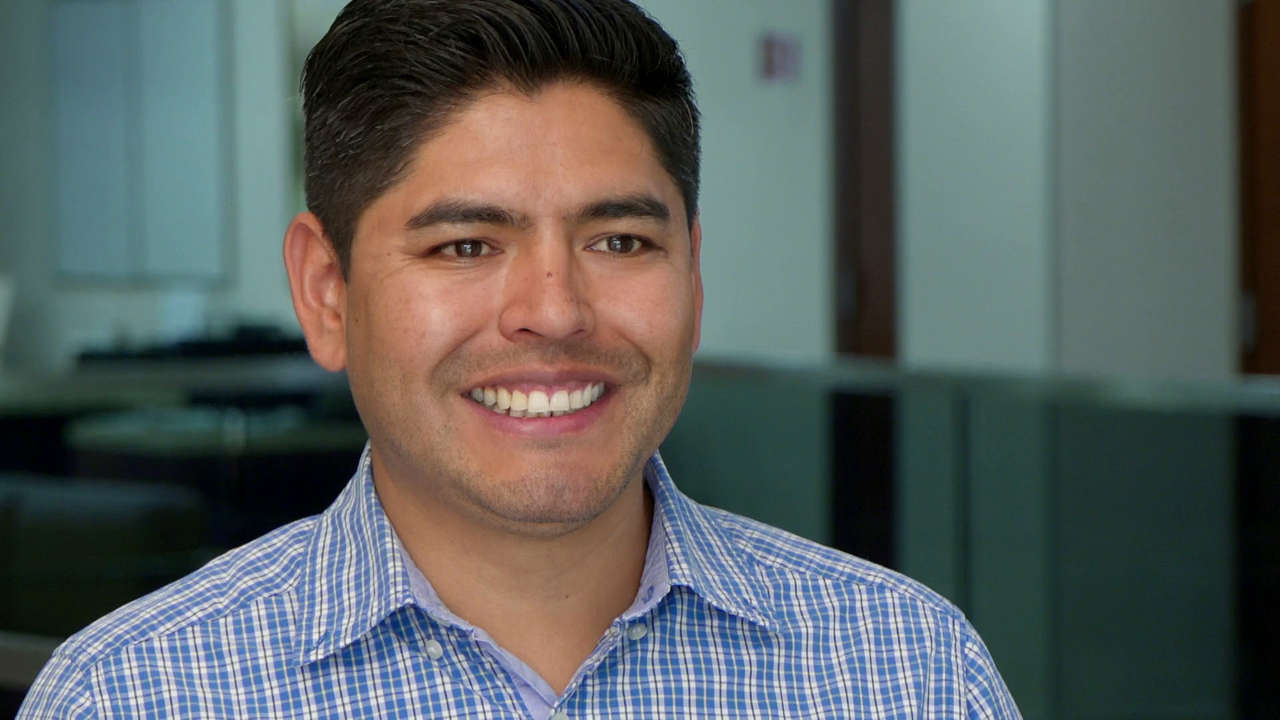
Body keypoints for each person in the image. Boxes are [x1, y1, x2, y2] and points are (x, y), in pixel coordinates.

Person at [21, 1, 1021, 717]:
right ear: (327, 291)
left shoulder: (904, 673)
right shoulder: (137, 695)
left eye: (620, 240)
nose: (554, 311)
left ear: (692, 272)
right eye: (465, 246)